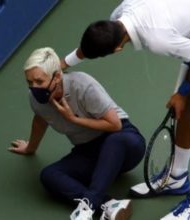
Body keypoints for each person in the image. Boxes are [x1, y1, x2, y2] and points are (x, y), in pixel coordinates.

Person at [60, 0, 190, 219]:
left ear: (117, 49)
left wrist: (182, 93)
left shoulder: (157, 38)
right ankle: (177, 177)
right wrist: (62, 63)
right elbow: (89, 46)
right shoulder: (118, 17)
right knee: (186, 109)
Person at [9, 47, 146, 220]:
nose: (33, 88)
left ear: (57, 76)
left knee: (115, 142)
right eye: (29, 82)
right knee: (49, 175)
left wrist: (73, 119)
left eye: (39, 81)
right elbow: (40, 119)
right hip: (88, 151)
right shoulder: (36, 99)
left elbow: (115, 125)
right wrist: (30, 147)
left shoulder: (82, 85)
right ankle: (109, 204)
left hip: (124, 143)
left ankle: (87, 207)